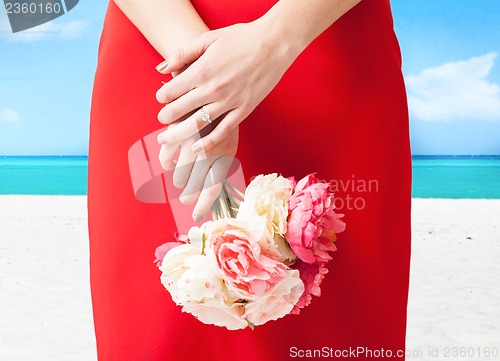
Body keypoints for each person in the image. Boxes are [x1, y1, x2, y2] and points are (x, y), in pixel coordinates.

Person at [88, 0, 412, 360]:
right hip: (160, 42)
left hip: (322, 34)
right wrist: (201, 76)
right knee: (162, 331)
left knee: (337, 325)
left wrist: (273, 41)